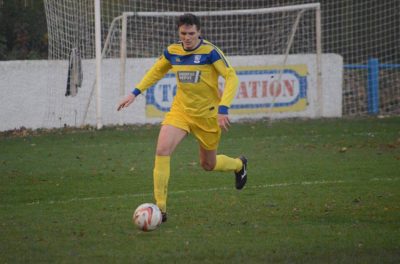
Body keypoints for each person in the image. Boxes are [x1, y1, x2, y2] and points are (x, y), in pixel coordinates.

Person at [117, 13, 247, 222]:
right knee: (162, 149)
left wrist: (223, 108)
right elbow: (155, 72)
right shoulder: (172, 51)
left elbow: (231, 76)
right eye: (183, 33)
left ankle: (239, 165)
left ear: (199, 32)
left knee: (208, 165)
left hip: (207, 116)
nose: (187, 37)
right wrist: (134, 93)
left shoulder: (210, 52)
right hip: (181, 112)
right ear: (179, 32)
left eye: (192, 33)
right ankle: (161, 209)